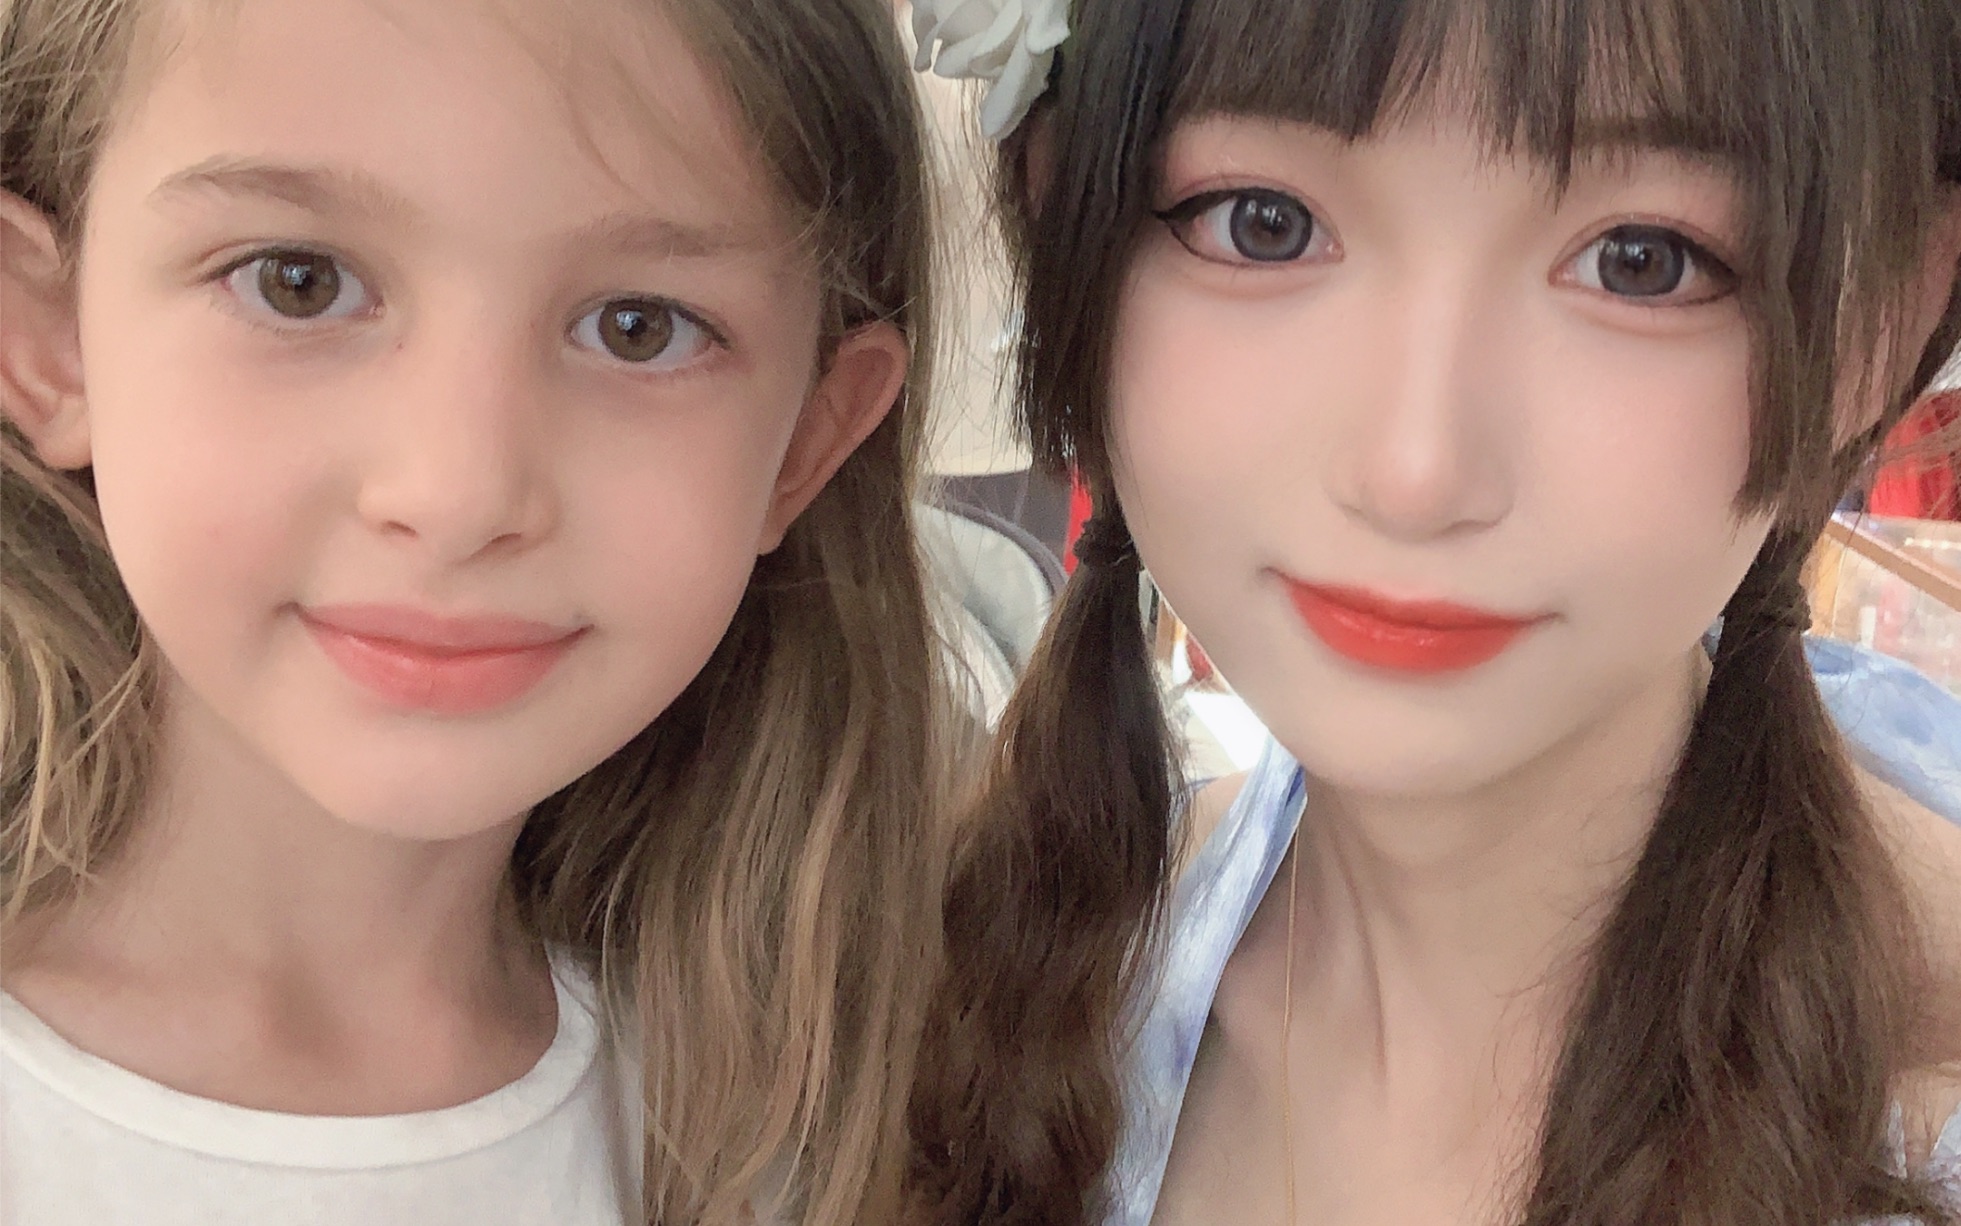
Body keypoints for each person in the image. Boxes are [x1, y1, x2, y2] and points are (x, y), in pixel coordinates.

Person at [907, 0, 1961, 1223]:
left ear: (1876, 321)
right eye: (1261, 222)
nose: (1414, 470)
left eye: (1641, 259)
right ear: (1063, 230)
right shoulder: (1003, 973)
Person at [0, 1, 954, 1222]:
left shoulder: (750, 1146)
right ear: (48, 341)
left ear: (806, 442)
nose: (458, 495)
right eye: (298, 282)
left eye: (639, 328)